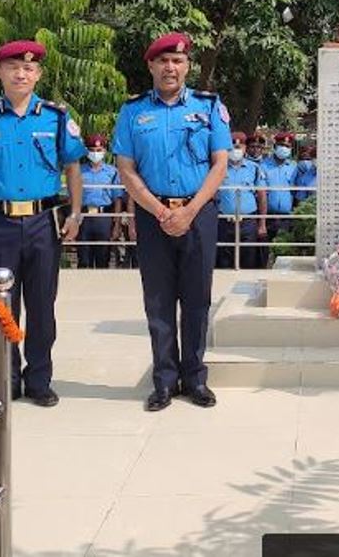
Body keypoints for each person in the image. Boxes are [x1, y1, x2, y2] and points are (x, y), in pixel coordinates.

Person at [0, 39, 86, 408]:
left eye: (29, 68)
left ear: (38, 74)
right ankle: (6, 381)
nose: (21, 73)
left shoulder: (56, 117)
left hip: (44, 222)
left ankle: (39, 380)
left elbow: (73, 168)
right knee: (1, 307)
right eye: (13, 67)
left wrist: (75, 214)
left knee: (43, 305)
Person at [112, 31, 230, 411]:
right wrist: (161, 211)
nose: (170, 67)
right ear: (150, 65)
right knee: (159, 301)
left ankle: (195, 378)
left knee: (197, 300)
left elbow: (221, 164)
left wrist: (190, 210)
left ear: (187, 66)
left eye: (177, 61)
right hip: (153, 216)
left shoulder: (209, 106)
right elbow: (126, 169)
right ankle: (164, 380)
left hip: (199, 213)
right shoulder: (132, 112)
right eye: (163, 61)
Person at [216, 131, 268, 270]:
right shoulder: (218, 168)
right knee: (224, 262)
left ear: (245, 148)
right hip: (224, 222)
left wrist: (262, 224)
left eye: (239, 147)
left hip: (248, 223)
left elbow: (262, 196)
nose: (235, 150)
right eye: (232, 147)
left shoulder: (254, 168)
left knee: (248, 262)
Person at [79, 134, 122, 269]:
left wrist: (117, 225)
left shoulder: (112, 172)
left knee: (103, 258)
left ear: (104, 151)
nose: (95, 153)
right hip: (84, 218)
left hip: (104, 218)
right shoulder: (79, 171)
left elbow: (118, 199)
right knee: (84, 259)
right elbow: (72, 198)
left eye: (99, 150)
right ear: (86, 151)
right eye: (92, 150)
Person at [263, 132, 298, 259]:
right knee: (264, 252)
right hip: (268, 217)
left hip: (286, 217)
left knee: (284, 253)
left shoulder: (294, 167)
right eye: (281, 145)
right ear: (275, 146)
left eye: (288, 146)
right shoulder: (263, 165)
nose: (284, 148)